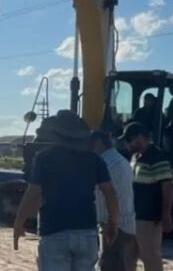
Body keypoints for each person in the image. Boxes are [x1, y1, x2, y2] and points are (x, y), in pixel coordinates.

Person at [13, 110, 120, 271]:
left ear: (55, 134)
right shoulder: (94, 160)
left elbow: (33, 192)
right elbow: (110, 192)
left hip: (54, 231)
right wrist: (114, 222)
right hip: (87, 232)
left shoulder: (44, 158)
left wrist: (19, 222)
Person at [119, 122, 173, 271]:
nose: (127, 144)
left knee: (150, 257)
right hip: (132, 216)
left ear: (139, 138)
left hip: (148, 219)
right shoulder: (135, 157)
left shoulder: (156, 156)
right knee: (128, 257)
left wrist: (166, 215)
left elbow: (167, 187)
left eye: (129, 140)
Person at [91, 131, 136, 271]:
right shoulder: (122, 161)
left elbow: (106, 194)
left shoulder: (103, 163)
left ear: (98, 142)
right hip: (125, 223)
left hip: (113, 225)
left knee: (109, 265)